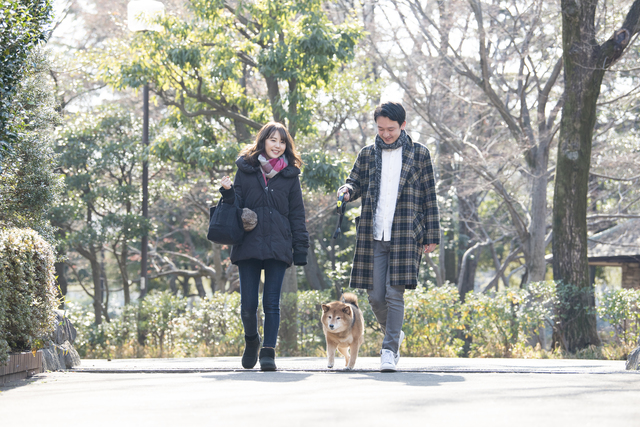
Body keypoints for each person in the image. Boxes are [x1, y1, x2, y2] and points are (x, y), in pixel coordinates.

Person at [337, 101, 440, 372]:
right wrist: (347, 190)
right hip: (373, 233)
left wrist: (432, 234)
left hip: (406, 233)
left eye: (391, 129)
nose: (385, 134)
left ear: (403, 125)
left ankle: (389, 349)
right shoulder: (367, 154)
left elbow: (430, 195)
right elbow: (354, 182)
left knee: (395, 294)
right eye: (381, 129)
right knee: (375, 296)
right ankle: (394, 333)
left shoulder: (419, 153)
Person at [220, 122, 309, 371]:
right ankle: (252, 341)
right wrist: (227, 192)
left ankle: (268, 351)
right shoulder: (246, 169)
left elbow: (297, 214)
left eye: (282, 141)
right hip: (248, 243)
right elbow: (236, 203)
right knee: (248, 306)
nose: (277, 146)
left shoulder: (290, 175)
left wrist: (301, 248)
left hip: (278, 244)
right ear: (263, 141)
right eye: (273, 140)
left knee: (271, 303)